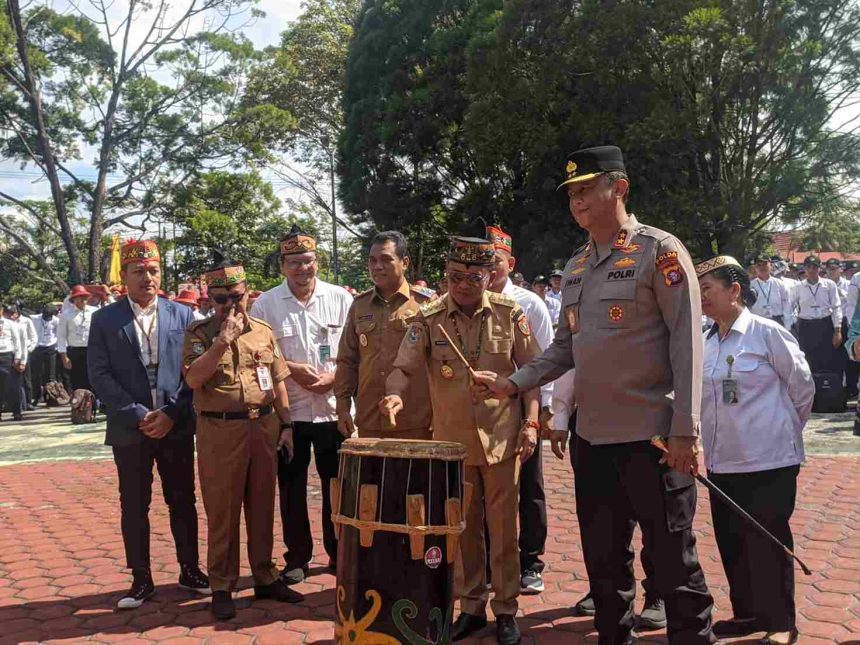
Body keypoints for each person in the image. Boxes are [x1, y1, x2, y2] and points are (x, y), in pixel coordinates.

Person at [472, 146, 716, 644]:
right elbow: (564, 348)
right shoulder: (578, 265)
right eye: (571, 193)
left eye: (586, 188)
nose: (577, 201)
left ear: (619, 188)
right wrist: (512, 382)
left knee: (674, 564)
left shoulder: (660, 251)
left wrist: (686, 432)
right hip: (594, 440)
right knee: (604, 563)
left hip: (654, 439)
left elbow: (688, 344)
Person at [380, 235, 540, 645]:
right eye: (455, 276)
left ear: (489, 276)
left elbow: (533, 374)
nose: (463, 284)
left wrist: (532, 423)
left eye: (473, 277)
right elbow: (403, 366)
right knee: (465, 530)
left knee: (503, 530)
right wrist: (394, 393)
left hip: (502, 442)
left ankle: (505, 610)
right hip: (454, 445)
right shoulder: (428, 318)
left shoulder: (509, 313)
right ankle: (471, 607)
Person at [697, 255, 814, 645]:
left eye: (708, 289)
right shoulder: (705, 339)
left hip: (769, 459)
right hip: (721, 459)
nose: (702, 298)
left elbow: (802, 388)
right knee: (731, 541)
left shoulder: (767, 333)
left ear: (734, 291)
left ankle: (782, 622)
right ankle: (747, 614)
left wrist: (782, 431)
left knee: (768, 541)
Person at [88, 239, 209, 610]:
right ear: (123, 276)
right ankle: (140, 577)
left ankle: (190, 569)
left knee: (182, 500)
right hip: (131, 428)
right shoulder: (104, 319)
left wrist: (172, 412)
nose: (148, 277)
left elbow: (194, 372)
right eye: (138, 271)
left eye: (154, 270)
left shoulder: (183, 316)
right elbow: (99, 374)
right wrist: (139, 414)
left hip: (175, 425)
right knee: (134, 504)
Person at [183, 257, 303, 619]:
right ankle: (222, 584)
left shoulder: (263, 331)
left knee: (263, 505)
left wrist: (287, 425)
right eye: (220, 300)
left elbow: (278, 381)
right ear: (209, 300)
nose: (229, 306)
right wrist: (222, 341)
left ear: (248, 294)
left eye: (235, 297)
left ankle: (265, 576)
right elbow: (193, 379)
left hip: (262, 427)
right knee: (223, 510)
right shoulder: (199, 335)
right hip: (220, 431)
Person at [251, 224, 353, 584]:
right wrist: (290, 368)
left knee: (337, 486)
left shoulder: (341, 298)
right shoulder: (265, 304)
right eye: (293, 262)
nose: (302, 268)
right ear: (282, 265)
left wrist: (335, 377)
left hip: (332, 410)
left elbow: (357, 353)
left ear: (317, 261)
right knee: (291, 487)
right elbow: (257, 354)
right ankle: (297, 556)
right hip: (288, 413)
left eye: (307, 261)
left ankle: (339, 553)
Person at [485, 224, 554, 595]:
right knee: (484, 491)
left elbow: (546, 361)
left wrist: (542, 412)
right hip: (482, 416)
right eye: (484, 261)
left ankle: (531, 562)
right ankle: (484, 561)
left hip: (522, 407)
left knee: (529, 488)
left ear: (509, 262)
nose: (489, 268)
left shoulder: (530, 304)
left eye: (495, 261)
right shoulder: (470, 300)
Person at [335, 231, 435, 440]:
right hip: (370, 419)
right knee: (372, 473)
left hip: (415, 420)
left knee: (413, 474)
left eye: (386, 259)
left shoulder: (427, 304)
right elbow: (348, 360)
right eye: (372, 260)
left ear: (404, 262)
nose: (377, 267)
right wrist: (343, 406)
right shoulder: (360, 305)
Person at [791, 256, 842, 374]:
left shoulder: (829, 285)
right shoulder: (797, 287)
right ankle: (811, 390)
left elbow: (836, 307)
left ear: (819, 269)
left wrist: (837, 331)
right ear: (804, 268)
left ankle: (827, 389)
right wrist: (791, 327)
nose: (812, 270)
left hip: (825, 324)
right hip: (806, 326)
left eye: (815, 267)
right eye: (808, 267)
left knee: (827, 358)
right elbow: (789, 307)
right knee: (807, 360)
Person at [58, 285, 97, 392]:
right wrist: (64, 356)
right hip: (75, 351)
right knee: (77, 381)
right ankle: (80, 406)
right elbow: (61, 336)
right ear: (74, 299)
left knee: (94, 378)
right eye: (79, 297)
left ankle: (94, 405)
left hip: (92, 350)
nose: (83, 299)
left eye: (84, 296)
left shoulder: (95, 312)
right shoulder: (66, 315)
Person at [750, 255, 792, 328]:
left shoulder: (780, 284)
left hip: (777, 321)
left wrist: (787, 325)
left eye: (765, 264)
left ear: (771, 265)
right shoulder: (750, 285)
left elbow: (787, 304)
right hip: (757, 323)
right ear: (755, 268)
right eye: (759, 265)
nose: (762, 267)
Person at [29, 304, 59, 407]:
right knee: (36, 374)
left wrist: (57, 347)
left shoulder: (56, 320)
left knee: (50, 375)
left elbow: (58, 333)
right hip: (38, 348)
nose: (47, 318)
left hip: (50, 347)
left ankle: (51, 397)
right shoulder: (35, 318)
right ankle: (37, 397)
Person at [0, 304, 24, 421]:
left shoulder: (10, 324)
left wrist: (18, 357)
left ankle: (17, 411)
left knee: (13, 386)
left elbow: (17, 341)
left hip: (7, 356)